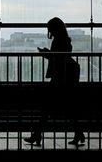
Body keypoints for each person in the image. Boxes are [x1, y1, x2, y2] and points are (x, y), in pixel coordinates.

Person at [23, 17, 85, 146]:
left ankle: (37, 135)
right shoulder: (65, 40)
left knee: (47, 108)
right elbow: (61, 56)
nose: (49, 31)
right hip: (65, 77)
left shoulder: (59, 41)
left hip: (60, 78)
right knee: (66, 108)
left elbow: (58, 58)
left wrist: (47, 54)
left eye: (50, 28)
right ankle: (78, 133)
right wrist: (49, 53)